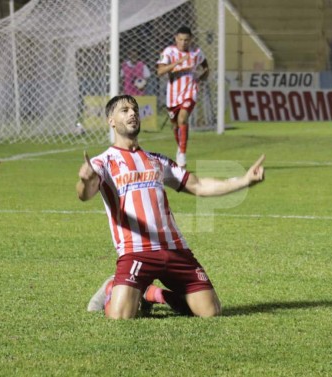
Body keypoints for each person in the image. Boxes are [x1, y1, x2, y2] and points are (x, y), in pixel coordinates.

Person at [77, 94, 265, 319]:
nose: (132, 113)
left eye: (134, 109)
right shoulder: (102, 162)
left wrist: (244, 181)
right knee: (120, 317)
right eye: (124, 110)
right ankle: (113, 287)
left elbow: (200, 186)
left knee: (211, 312)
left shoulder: (157, 160)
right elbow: (85, 194)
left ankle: (151, 293)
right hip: (136, 251)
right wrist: (85, 180)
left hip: (174, 249)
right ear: (111, 120)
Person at [156, 26, 209, 169]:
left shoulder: (196, 53)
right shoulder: (169, 52)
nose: (183, 42)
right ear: (176, 39)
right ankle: (180, 148)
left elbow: (206, 67)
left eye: (186, 40)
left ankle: (182, 154)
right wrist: (177, 63)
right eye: (180, 39)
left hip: (190, 92)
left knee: (182, 119)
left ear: (191, 39)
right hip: (173, 96)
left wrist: (201, 77)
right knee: (175, 125)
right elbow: (160, 71)